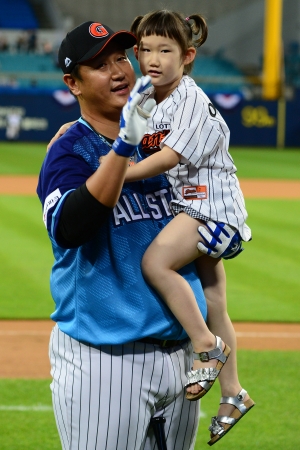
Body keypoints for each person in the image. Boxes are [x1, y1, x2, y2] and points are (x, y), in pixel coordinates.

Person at [37, 21, 235, 450]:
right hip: (107, 360)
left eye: (120, 57)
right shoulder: (69, 150)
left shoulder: (161, 143)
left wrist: (223, 236)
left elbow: (210, 196)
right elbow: (71, 227)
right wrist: (123, 144)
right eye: (99, 64)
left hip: (183, 359)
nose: (118, 70)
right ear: (73, 83)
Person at [120, 10, 254, 446]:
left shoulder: (190, 99)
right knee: (214, 298)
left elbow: (166, 158)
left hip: (212, 211)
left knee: (156, 263)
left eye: (165, 50)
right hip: (195, 206)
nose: (152, 58)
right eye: (145, 49)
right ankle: (233, 393)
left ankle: (206, 348)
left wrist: (115, 174)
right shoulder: (149, 97)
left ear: (188, 55)